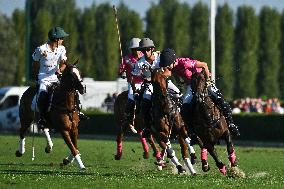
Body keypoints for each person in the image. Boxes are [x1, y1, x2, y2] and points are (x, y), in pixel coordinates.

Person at [159, 48, 240, 138]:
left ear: (172, 61)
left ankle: (231, 125)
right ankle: (192, 132)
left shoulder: (185, 63)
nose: (165, 67)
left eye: (166, 65)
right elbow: (175, 74)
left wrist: (208, 80)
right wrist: (180, 82)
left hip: (203, 82)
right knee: (184, 108)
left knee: (221, 101)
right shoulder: (173, 68)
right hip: (191, 86)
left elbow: (204, 65)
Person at [32, 26, 87, 128]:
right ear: (56, 39)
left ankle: (78, 111)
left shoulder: (62, 49)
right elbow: (34, 62)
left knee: (72, 91)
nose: (63, 40)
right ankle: (42, 118)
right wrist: (36, 75)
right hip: (43, 79)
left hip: (56, 78)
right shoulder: (41, 49)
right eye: (62, 38)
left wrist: (60, 70)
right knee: (43, 96)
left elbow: (64, 63)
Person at [132, 38, 182, 137]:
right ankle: (147, 127)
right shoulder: (139, 63)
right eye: (143, 50)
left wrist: (159, 77)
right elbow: (135, 77)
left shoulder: (160, 57)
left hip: (164, 82)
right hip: (150, 85)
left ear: (152, 49)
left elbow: (169, 71)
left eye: (147, 49)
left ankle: (182, 120)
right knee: (145, 100)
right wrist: (135, 89)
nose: (145, 52)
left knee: (179, 93)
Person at [118, 38, 143, 130]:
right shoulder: (127, 59)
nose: (137, 51)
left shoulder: (144, 57)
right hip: (132, 83)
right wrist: (122, 73)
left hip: (145, 82)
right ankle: (129, 119)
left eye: (138, 49)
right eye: (135, 49)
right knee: (131, 97)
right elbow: (121, 70)